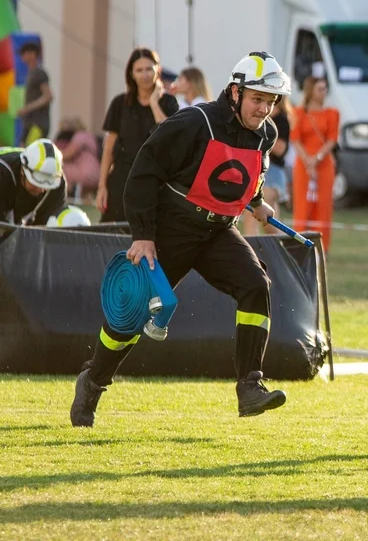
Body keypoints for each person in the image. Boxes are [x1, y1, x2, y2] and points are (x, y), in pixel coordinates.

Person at [70, 51, 291, 427]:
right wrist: (143, 235)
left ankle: (249, 386)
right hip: (170, 232)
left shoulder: (266, 134)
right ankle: (93, 381)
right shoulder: (194, 122)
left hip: (218, 231)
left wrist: (255, 202)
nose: (264, 110)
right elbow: (142, 173)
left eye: (271, 102)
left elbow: (249, 174)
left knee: (257, 284)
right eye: (257, 99)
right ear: (235, 93)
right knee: (131, 318)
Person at [96, 48, 178, 223]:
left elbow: (170, 136)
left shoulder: (169, 103)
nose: (145, 75)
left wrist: (154, 103)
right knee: (112, 236)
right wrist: (102, 186)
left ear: (158, 70)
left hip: (155, 182)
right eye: (139, 70)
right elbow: (109, 146)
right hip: (121, 181)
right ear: (131, 74)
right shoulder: (120, 103)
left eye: (149, 69)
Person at [290, 76, 339, 252]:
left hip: (324, 164)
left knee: (323, 207)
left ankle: (322, 248)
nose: (323, 92)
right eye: (320, 88)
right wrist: (307, 161)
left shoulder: (332, 113)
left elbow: (332, 139)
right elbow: (295, 138)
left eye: (325, 88)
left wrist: (317, 158)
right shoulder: (298, 112)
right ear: (311, 91)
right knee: (303, 206)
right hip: (303, 164)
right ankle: (300, 245)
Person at [244, 97, 293, 236]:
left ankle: (267, 245)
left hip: (273, 172)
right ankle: (277, 247)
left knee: (257, 212)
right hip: (257, 169)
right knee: (264, 219)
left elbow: (281, 149)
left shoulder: (281, 120)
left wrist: (262, 134)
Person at [0, 139, 66, 225]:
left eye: (47, 185)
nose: (41, 190)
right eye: (36, 183)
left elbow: (45, 228)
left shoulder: (57, 186)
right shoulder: (3, 174)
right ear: (22, 172)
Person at [54, 116, 101, 200]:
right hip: (96, 172)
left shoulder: (80, 135)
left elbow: (68, 154)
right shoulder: (89, 136)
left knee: (61, 170)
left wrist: (53, 153)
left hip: (86, 172)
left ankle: (66, 197)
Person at [16, 42, 53, 146]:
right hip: (29, 122)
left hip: (37, 123)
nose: (23, 57)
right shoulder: (30, 73)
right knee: (23, 150)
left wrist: (28, 108)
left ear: (32, 54)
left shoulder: (39, 73)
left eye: (24, 53)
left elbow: (48, 96)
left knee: (31, 152)